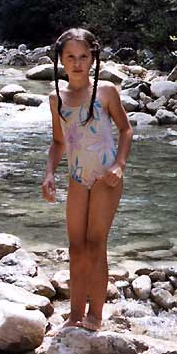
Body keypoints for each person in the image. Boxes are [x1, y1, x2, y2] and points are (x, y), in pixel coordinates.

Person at [41, 28, 133, 331]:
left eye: (84, 56)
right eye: (71, 57)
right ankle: (74, 314)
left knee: (96, 244)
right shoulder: (57, 98)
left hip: (107, 177)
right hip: (77, 177)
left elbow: (125, 129)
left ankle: (95, 314)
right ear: (61, 61)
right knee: (75, 247)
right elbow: (58, 142)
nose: (78, 63)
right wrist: (50, 173)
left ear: (93, 58)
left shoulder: (105, 91)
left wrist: (120, 164)